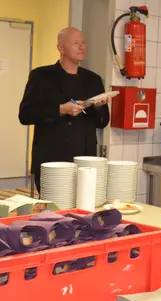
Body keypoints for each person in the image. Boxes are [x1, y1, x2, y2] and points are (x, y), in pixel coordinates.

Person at [19, 27, 110, 194]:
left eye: (83, 42)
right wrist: (60, 110)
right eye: (76, 43)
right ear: (61, 48)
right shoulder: (42, 76)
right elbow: (25, 114)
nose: (82, 47)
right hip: (52, 161)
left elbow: (102, 122)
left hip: (85, 163)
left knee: (85, 206)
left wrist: (99, 107)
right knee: (55, 207)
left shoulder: (93, 79)